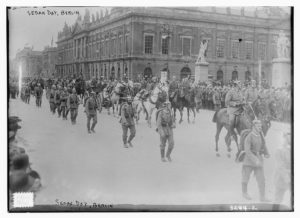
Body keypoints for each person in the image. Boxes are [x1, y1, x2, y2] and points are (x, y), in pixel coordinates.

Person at [241, 119, 270, 202]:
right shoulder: (249, 137)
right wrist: (255, 159)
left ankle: (262, 197)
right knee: (245, 177)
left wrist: (266, 153)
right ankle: (244, 193)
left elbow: (264, 144)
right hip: (249, 161)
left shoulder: (260, 135)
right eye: (258, 126)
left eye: (261, 126)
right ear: (253, 127)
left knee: (261, 179)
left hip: (259, 160)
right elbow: (247, 151)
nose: (260, 128)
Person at [274, 130, 291, 204]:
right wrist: (287, 178)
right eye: (287, 137)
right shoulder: (279, 150)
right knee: (278, 200)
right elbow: (280, 166)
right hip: (282, 178)